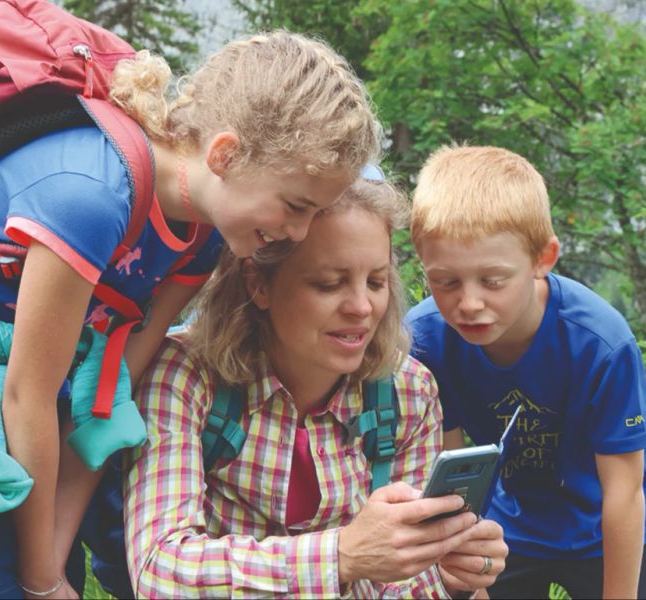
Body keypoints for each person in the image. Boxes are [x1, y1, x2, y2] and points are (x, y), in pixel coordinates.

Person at [0, 30, 380, 599]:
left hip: (33, 374)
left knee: (51, 567)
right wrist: (38, 578)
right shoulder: (91, 197)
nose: (296, 234)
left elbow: (103, 399)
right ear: (223, 155)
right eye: (295, 206)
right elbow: (28, 396)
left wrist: (48, 565)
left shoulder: (204, 236)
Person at [124, 173, 509, 598]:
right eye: (329, 283)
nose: (362, 307)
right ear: (259, 285)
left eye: (377, 282)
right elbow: (159, 571)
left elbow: (402, 587)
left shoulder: (408, 393)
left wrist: (449, 580)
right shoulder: (187, 374)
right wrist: (341, 555)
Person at [405, 146, 646, 599]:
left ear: (542, 259)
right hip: (510, 523)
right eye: (446, 281)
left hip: (613, 523)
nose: (469, 303)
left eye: (493, 281)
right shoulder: (427, 340)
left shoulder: (600, 343)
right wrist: (472, 587)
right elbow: (448, 486)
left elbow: (624, 493)